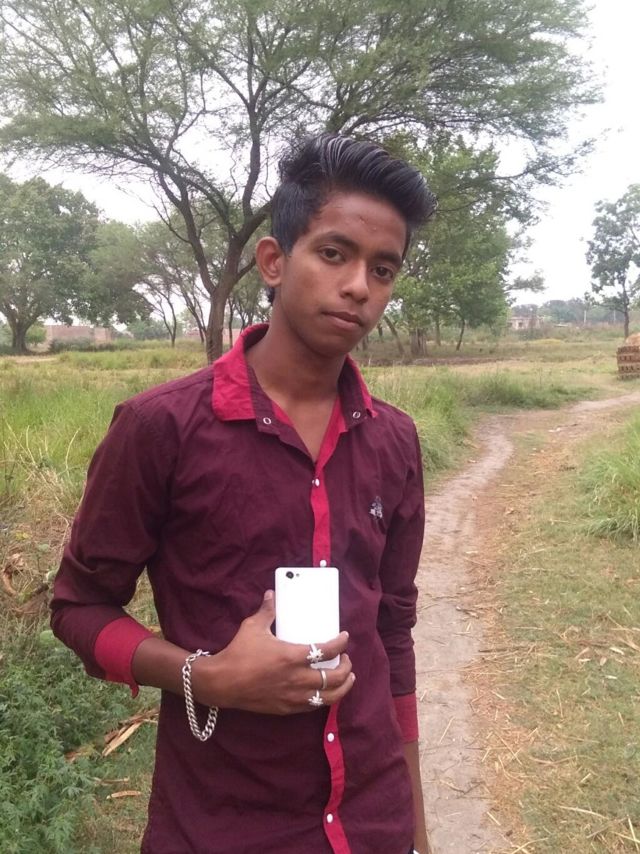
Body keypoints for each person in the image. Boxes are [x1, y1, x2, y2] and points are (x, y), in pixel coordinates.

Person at [51, 133, 437, 854]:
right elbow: (78, 608)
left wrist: (414, 828)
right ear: (273, 260)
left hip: (371, 820)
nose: (359, 285)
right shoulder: (162, 428)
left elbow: (393, 633)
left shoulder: (394, 440)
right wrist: (209, 678)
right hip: (222, 826)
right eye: (334, 253)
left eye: (382, 269)